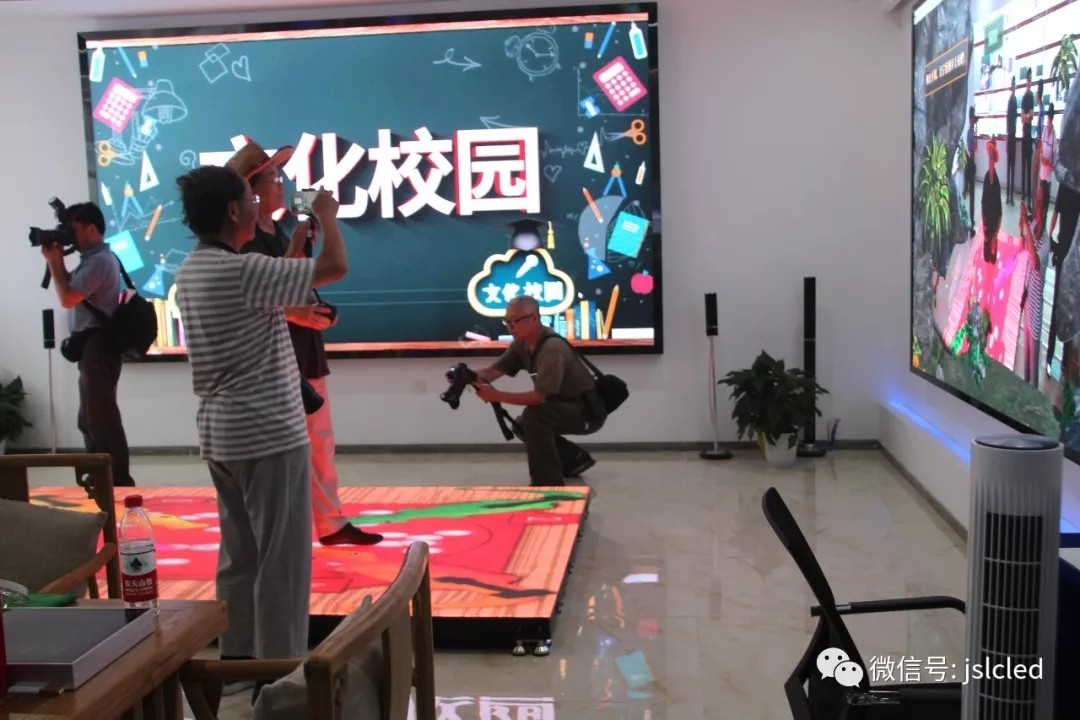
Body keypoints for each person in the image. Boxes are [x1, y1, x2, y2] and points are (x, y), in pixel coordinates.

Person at [173, 165, 347, 669]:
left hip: (223, 434)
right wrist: (328, 216)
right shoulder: (242, 271)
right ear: (233, 210)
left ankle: (238, 661)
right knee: (282, 562)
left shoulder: (194, 269)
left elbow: (272, 289)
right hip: (269, 433)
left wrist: (292, 247)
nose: (259, 202)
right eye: (252, 196)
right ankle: (280, 674)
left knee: (240, 555)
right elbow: (334, 265)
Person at [225, 140, 382, 546]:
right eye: (272, 178)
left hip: (303, 352)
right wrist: (327, 220)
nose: (282, 185)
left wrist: (316, 309)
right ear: (247, 194)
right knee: (281, 454)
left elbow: (295, 285)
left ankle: (329, 523)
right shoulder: (242, 246)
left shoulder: (279, 234)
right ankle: (284, 536)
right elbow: (250, 304)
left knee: (319, 444)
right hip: (272, 363)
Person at [40, 202, 134, 486]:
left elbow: (68, 297)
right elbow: (71, 286)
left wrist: (54, 261)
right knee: (90, 418)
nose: (70, 236)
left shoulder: (99, 261)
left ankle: (116, 480)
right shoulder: (93, 260)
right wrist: (56, 259)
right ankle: (100, 475)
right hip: (92, 346)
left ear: (92, 229)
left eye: (75, 229)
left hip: (98, 346)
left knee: (101, 418)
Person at [469, 295, 605, 487]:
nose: (510, 327)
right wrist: (466, 376)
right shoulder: (521, 345)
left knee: (534, 417)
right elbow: (493, 372)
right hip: (561, 407)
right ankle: (574, 460)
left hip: (586, 412)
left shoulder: (552, 349)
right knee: (522, 424)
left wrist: (496, 395)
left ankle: (547, 484)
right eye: (507, 322)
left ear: (533, 319)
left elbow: (540, 397)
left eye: (515, 321)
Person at [1021, 186, 1050, 386]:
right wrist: (1023, 227)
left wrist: (1025, 221)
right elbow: (1025, 248)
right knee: (1025, 361)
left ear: (1046, 208)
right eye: (1035, 200)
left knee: (1033, 371)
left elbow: (1036, 262)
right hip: (1027, 302)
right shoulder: (1032, 227)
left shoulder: (1046, 242)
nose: (1036, 205)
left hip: (1036, 312)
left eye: (1039, 202)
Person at [982, 139, 1003, 264]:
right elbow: (983, 202)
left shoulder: (996, 182)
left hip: (994, 225)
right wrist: (983, 225)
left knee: (992, 258)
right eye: (989, 157)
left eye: (992, 157)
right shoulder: (986, 178)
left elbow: (999, 212)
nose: (990, 160)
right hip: (987, 225)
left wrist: (995, 233)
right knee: (986, 257)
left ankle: (992, 252)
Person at [1039, 104, 1057, 233]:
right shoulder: (1044, 130)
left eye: (1050, 119)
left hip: (1048, 177)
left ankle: (1043, 229)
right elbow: (1041, 147)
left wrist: (1048, 163)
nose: (1048, 121)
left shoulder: (1054, 136)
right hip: (1042, 174)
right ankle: (1039, 226)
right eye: (1048, 119)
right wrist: (1041, 158)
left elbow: (1054, 164)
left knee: (1045, 204)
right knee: (1039, 202)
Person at [1021, 70, 1036, 204]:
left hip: (1029, 135)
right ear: (1026, 81)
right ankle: (1023, 195)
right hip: (1024, 134)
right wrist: (1027, 116)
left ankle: (1030, 197)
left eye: (1031, 80)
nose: (1029, 82)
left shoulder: (1031, 96)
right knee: (1023, 166)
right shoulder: (1024, 96)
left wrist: (1026, 116)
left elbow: (1031, 116)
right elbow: (1022, 118)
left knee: (1029, 168)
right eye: (1028, 80)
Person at [965, 106, 977, 237]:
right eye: (973, 118)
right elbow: (973, 148)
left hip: (971, 165)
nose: (974, 120)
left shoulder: (971, 132)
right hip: (970, 165)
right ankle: (971, 224)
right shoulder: (970, 133)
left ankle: (971, 223)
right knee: (972, 197)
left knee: (972, 198)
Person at [1006, 76, 1018, 206]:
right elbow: (1008, 120)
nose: (1013, 87)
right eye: (1012, 85)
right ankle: (1008, 195)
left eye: (1015, 85)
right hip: (1010, 136)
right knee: (1009, 167)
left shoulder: (1014, 100)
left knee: (1012, 167)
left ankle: (1011, 196)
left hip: (1013, 136)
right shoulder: (1011, 101)